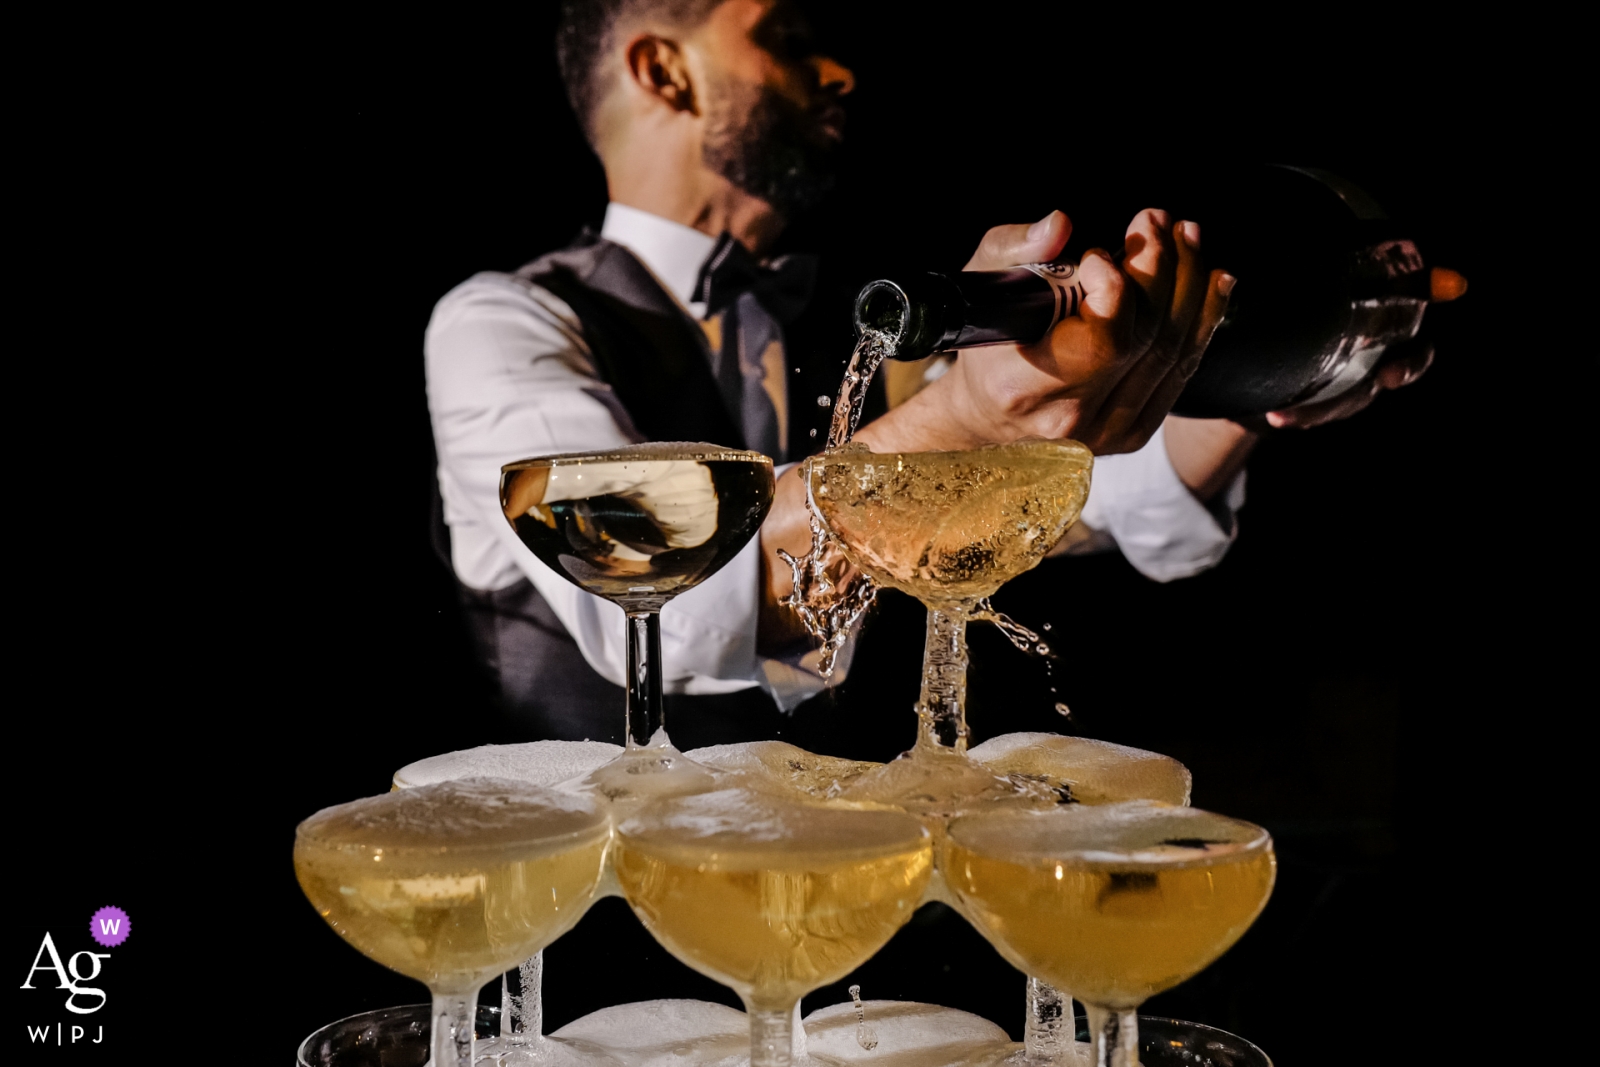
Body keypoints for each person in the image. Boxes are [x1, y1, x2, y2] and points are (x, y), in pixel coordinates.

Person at [424, 0, 1449, 745]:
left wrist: (1264, 373)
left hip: (840, 912)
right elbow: (665, 600)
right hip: (588, 955)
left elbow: (1079, 499)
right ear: (662, 71)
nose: (839, 73)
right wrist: (967, 409)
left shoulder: (863, 323)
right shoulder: (501, 324)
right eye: (783, 35)